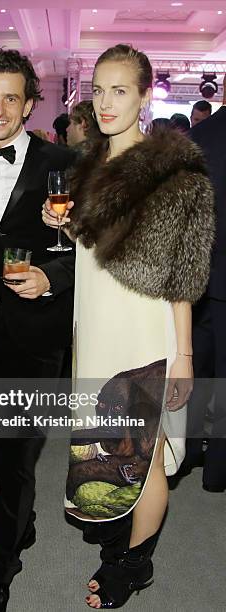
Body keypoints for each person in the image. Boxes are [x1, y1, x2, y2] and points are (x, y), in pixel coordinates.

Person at [43, 43, 214, 609]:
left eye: (121, 90)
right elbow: (95, 253)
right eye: (99, 89)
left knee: (147, 448)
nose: (107, 101)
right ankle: (119, 537)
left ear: (145, 96)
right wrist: (63, 225)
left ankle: (135, 565)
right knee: (109, 446)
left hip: (145, 332)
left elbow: (184, 275)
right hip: (94, 329)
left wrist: (184, 356)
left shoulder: (173, 173)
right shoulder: (88, 165)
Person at [0, 46, 75, 611]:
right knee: (4, 454)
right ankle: (19, 524)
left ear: (29, 104)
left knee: (17, 455)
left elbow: (92, 252)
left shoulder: (65, 165)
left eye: (12, 98)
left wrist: (49, 278)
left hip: (41, 332)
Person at [184, 75, 226, 492]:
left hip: (202, 276)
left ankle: (190, 450)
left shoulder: (201, 138)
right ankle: (219, 469)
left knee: (199, 372)